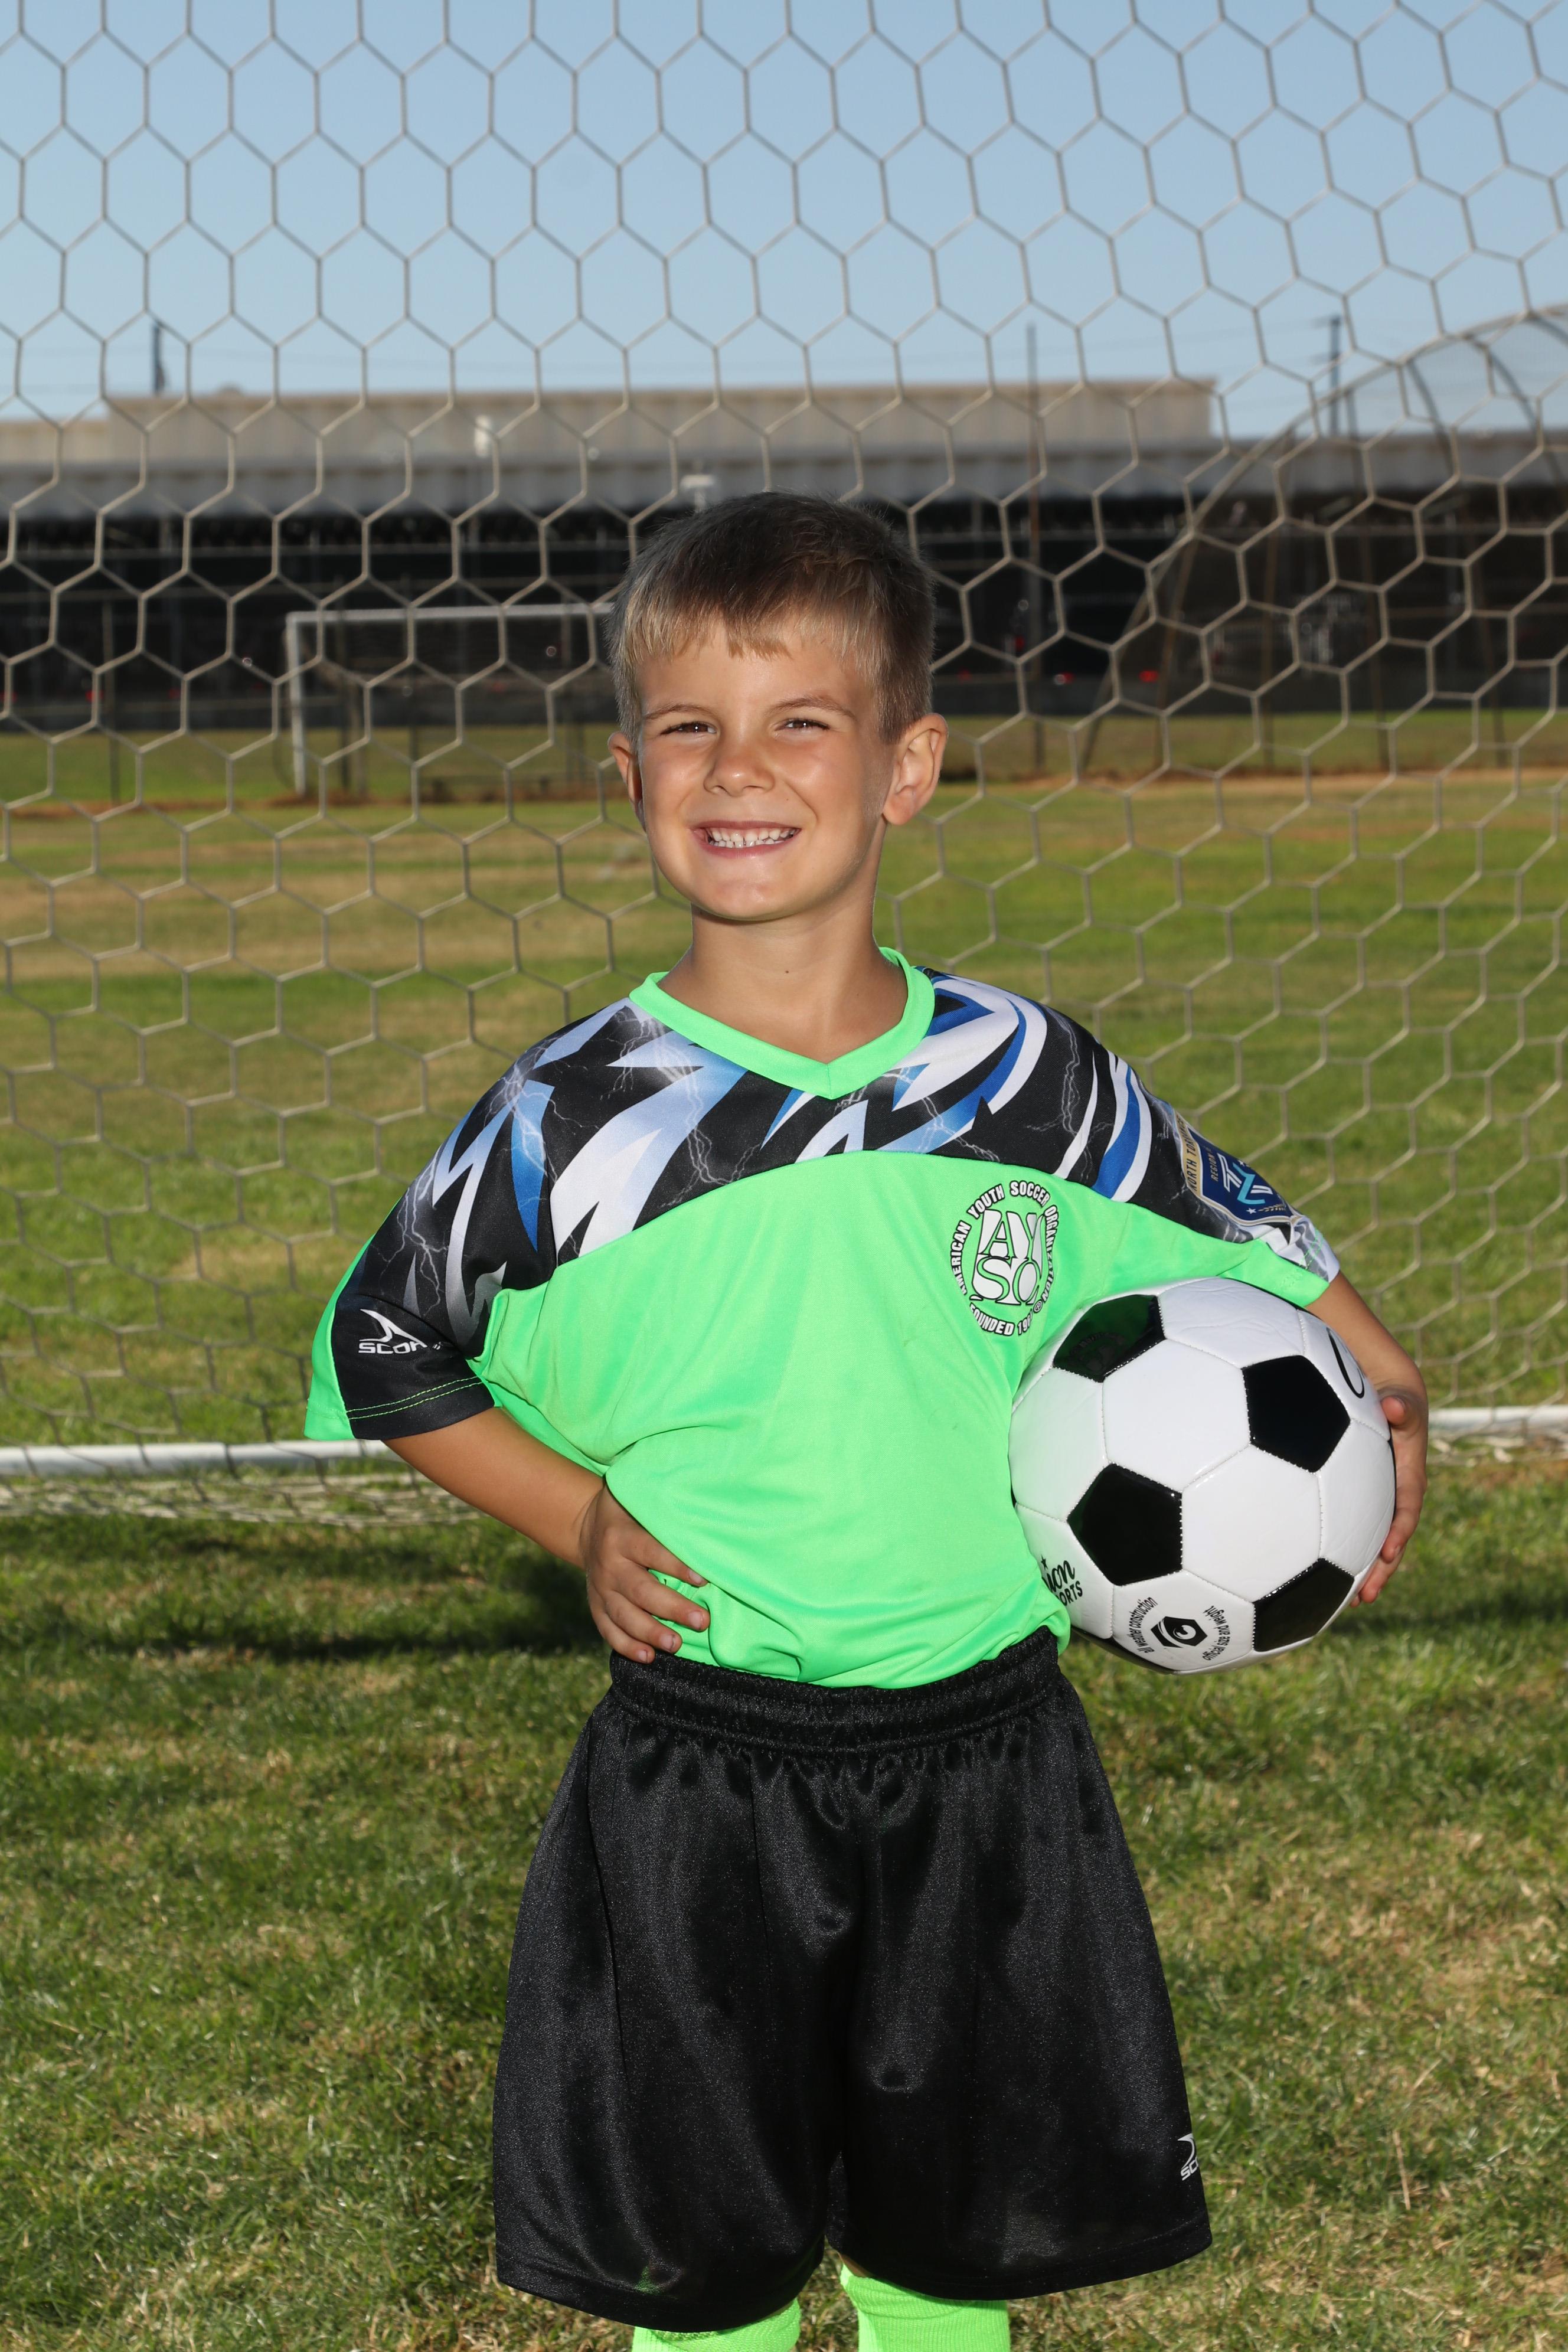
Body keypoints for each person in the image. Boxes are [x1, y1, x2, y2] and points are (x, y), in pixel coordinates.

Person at [305, 494, 1427, 2352]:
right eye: (690, 727)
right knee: (703, 2257)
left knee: (951, 2246)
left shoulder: (1028, 1083)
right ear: (629, 772)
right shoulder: (569, 1118)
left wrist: (1381, 1389)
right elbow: (387, 1344)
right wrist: (575, 1519)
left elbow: (1242, 1228)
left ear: (907, 767)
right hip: (702, 1768)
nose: (738, 770)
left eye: (800, 723)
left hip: (990, 1756)